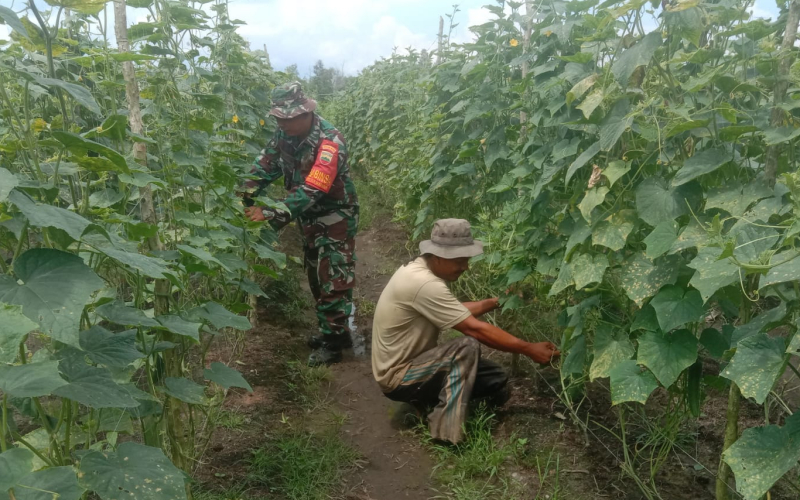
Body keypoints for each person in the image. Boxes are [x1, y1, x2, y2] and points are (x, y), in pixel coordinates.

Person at [371, 219, 559, 444]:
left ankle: (428, 401)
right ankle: (445, 433)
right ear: (438, 256)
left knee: (494, 377)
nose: (466, 267)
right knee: (466, 346)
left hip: (411, 364)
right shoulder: (424, 283)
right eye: (459, 261)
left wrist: (497, 301)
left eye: (466, 260)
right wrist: (528, 349)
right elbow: (474, 328)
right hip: (397, 377)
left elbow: (456, 311)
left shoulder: (419, 271)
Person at [242, 82, 359, 367]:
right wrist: (244, 193)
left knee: (333, 273)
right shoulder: (284, 134)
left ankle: (333, 343)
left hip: (335, 214)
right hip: (306, 214)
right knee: (316, 273)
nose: (284, 123)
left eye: (289, 118)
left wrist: (271, 213)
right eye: (279, 118)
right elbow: (265, 165)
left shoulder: (330, 142)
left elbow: (314, 188)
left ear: (307, 113)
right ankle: (337, 330)